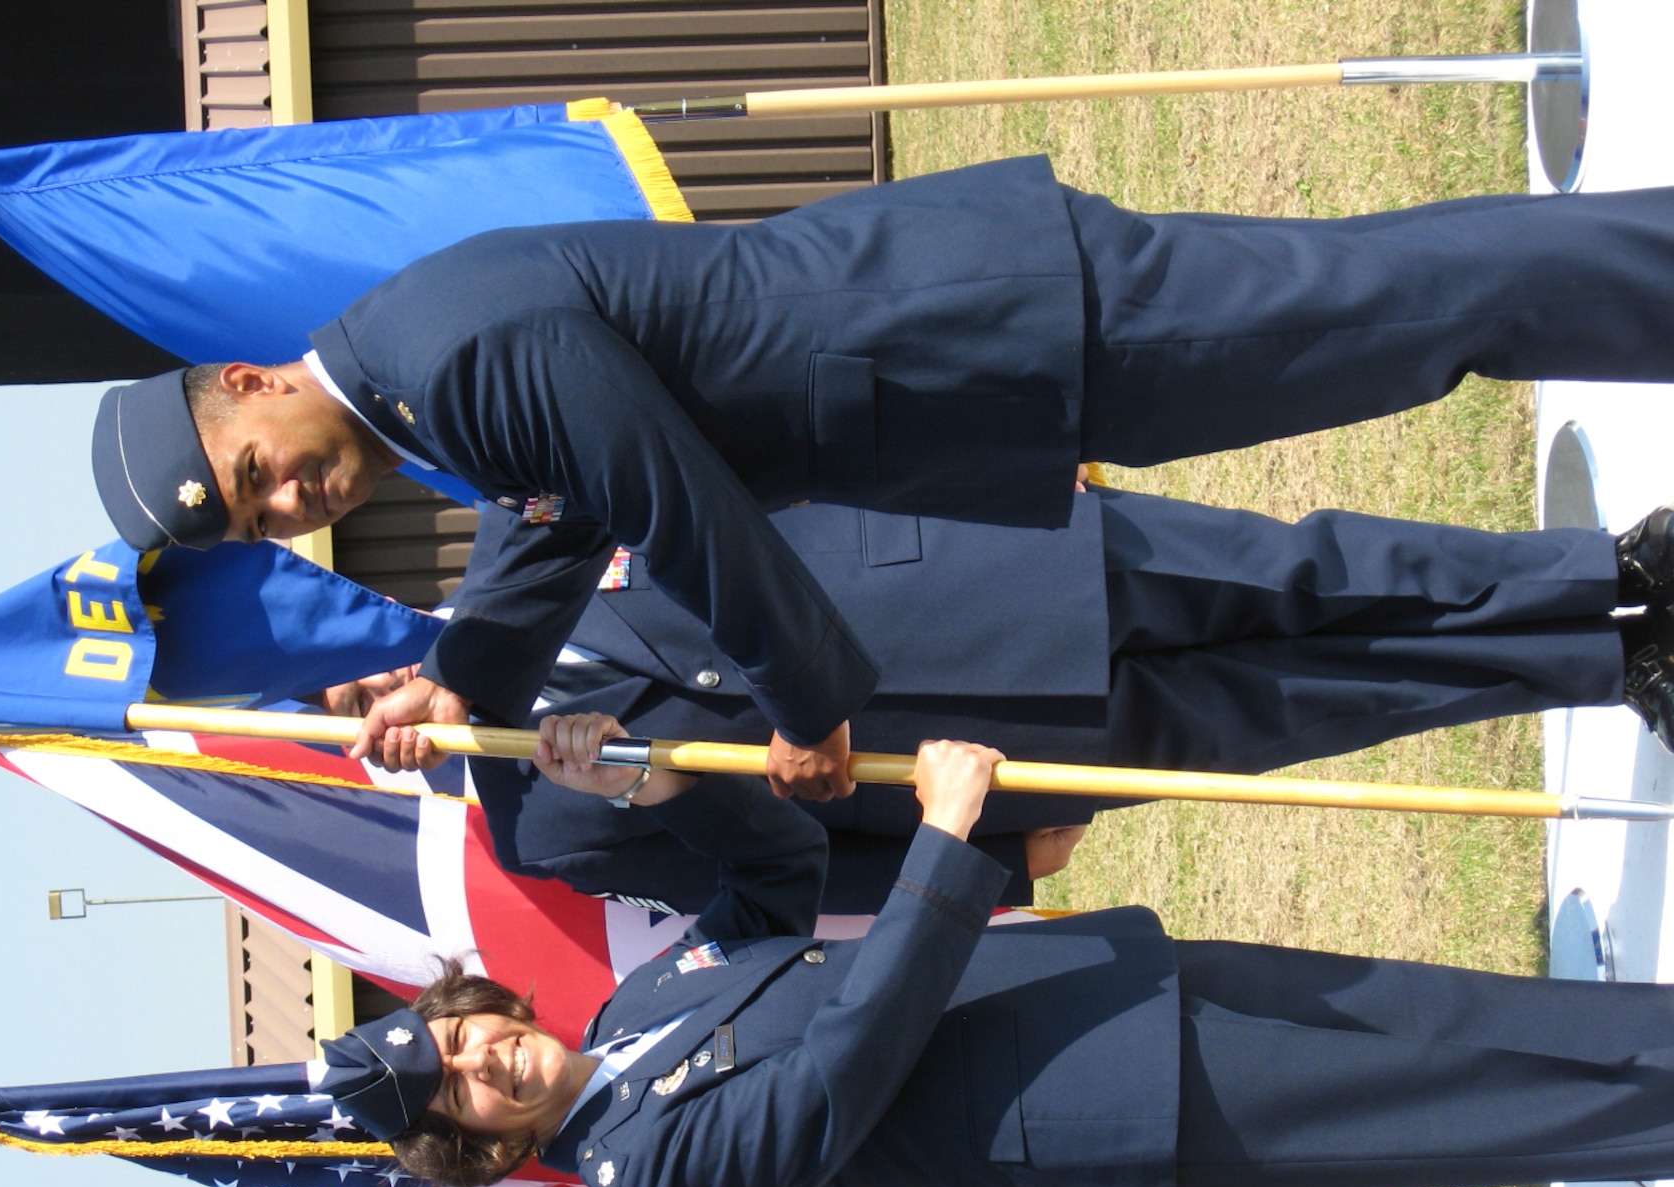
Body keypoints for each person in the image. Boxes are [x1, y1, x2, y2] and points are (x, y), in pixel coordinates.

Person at [87, 158, 1674, 795]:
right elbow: (561, 509)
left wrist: (805, 701)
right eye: (257, 519)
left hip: (987, 324)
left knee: (1395, 310)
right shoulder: (422, 371)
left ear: (246, 387)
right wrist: (464, 670)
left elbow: (663, 499)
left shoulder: (441, 360)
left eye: (256, 474)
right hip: (984, 353)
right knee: (1390, 317)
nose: (290, 504)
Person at [308, 716, 1674, 1187]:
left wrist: (657, 780)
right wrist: (949, 848)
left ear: (478, 1013)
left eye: (458, 1042)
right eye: (461, 1100)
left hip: (1089, 991)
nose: (480, 1065)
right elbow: (843, 1070)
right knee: (1440, 1105)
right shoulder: (647, 1177)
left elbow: (771, 898)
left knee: (1425, 1009)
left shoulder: (630, 1016)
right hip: (1096, 1110)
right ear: (482, 1144)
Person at [331, 487, 1674, 913]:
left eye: (360, 665)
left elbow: (707, 459)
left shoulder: (530, 553)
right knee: (1314, 699)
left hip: (992, 569)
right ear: (376, 757)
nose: (383, 694)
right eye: (353, 713)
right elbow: (779, 885)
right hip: (991, 753)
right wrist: (982, 865)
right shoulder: (543, 831)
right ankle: (1612, 661)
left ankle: (1603, 571)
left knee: (1313, 566)